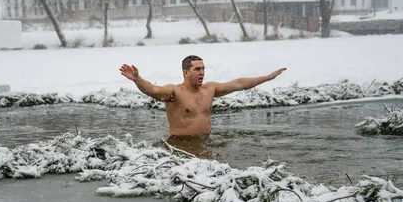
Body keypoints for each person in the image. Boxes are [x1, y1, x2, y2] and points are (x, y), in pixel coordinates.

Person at [119, 55, 286, 139]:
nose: (202, 73)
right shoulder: (174, 92)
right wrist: (137, 80)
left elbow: (238, 84)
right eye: (197, 69)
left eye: (203, 69)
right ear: (185, 72)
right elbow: (153, 90)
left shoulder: (210, 89)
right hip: (181, 144)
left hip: (206, 141)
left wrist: (267, 78)